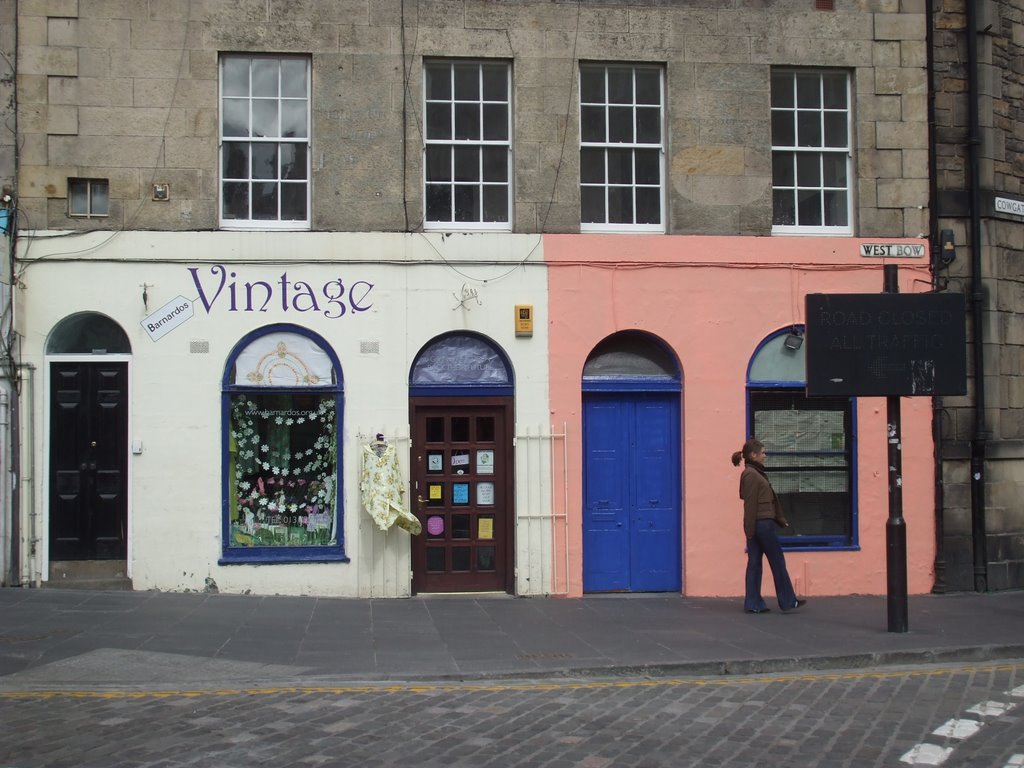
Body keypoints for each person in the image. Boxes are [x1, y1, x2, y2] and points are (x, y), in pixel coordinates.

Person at [732, 438, 806, 614]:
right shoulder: (751, 474)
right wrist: (749, 530)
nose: (765, 455)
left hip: (759, 524)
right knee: (777, 560)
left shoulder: (753, 473)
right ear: (753, 455)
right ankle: (787, 600)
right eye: (763, 452)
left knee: (755, 562)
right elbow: (749, 503)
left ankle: (753, 603)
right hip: (762, 524)